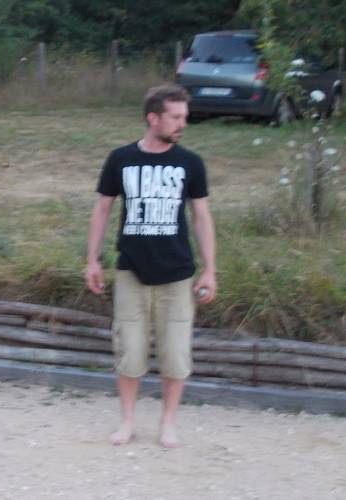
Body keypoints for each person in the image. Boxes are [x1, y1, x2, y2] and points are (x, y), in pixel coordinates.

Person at [84, 84, 217, 449]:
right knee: (130, 351)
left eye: (184, 118)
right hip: (131, 271)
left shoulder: (190, 163)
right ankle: (127, 421)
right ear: (153, 118)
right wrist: (93, 260)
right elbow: (102, 209)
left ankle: (168, 423)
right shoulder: (121, 159)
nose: (181, 124)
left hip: (177, 274)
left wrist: (210, 269)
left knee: (175, 355)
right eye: (175, 117)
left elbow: (202, 217)